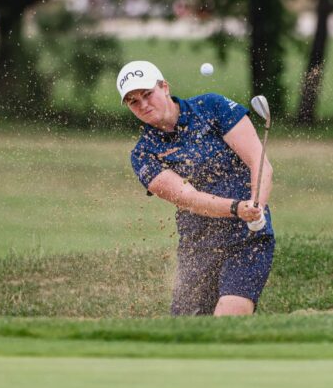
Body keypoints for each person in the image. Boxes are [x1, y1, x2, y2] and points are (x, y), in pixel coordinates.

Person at [117, 60, 275, 316]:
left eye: (147, 94)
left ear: (164, 87)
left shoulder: (212, 107)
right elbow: (188, 198)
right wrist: (237, 208)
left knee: (228, 317)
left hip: (247, 239)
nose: (143, 104)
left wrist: (256, 205)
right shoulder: (143, 154)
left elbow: (260, 163)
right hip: (198, 245)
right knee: (188, 331)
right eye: (134, 101)